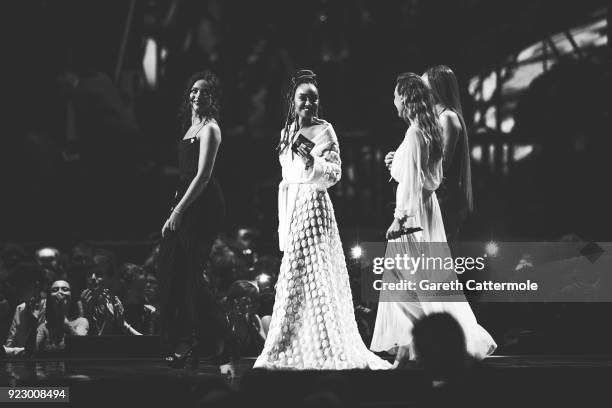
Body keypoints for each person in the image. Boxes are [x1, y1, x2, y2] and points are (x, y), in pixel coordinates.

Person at [254, 69, 391, 369]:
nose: (309, 104)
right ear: (293, 101)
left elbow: (336, 173)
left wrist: (311, 161)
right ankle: (288, 340)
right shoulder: (287, 131)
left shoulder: (325, 130)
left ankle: (324, 342)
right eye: (303, 98)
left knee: (315, 274)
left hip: (315, 206)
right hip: (293, 207)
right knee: (294, 275)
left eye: (314, 99)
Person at [371, 73, 495, 365]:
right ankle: (421, 340)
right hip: (423, 210)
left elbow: (414, 182)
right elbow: (421, 173)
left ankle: (428, 340)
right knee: (414, 280)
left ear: (404, 98)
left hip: (413, 214)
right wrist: (397, 162)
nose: (392, 101)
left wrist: (399, 218)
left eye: (395, 95)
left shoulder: (417, 132)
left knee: (411, 282)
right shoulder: (422, 130)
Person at [158, 70, 234, 376]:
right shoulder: (190, 127)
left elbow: (203, 176)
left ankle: (219, 343)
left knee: (192, 276)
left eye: (203, 92)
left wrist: (177, 211)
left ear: (213, 98)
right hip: (185, 203)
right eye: (193, 91)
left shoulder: (210, 130)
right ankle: (186, 341)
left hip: (203, 208)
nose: (197, 96)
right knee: (171, 269)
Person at [384, 65, 472, 241]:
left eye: (423, 85)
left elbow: (441, 163)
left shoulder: (447, 117)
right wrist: (403, 158)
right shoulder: (430, 120)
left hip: (442, 197)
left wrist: (410, 162)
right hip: (428, 195)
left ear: (436, 88)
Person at [36, 280, 88, 354]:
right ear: (50, 298)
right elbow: (34, 350)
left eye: (65, 289)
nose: (60, 292)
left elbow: (81, 346)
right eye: (55, 290)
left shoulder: (81, 322)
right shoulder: (44, 327)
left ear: (71, 296)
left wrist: (63, 318)